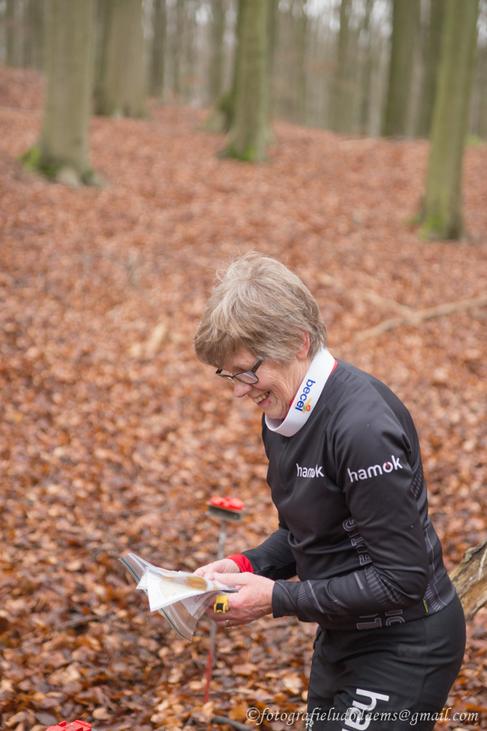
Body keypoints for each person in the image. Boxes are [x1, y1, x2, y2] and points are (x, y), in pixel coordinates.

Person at [193, 253, 465, 730]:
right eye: (228, 375)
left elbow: (402, 579)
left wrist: (275, 598)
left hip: (406, 642)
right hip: (341, 636)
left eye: (246, 371)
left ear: (299, 342)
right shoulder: (282, 414)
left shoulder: (362, 428)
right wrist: (244, 566)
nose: (239, 391)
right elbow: (304, 533)